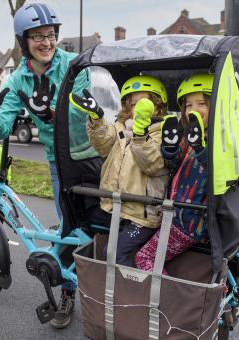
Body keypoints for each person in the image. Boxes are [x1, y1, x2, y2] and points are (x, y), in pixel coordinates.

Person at [0, 3, 90, 329]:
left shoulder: (73, 64)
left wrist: (54, 107)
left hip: (93, 154)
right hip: (60, 163)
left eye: (50, 35)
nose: (46, 42)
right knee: (68, 230)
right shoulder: (19, 80)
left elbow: (85, 111)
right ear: (24, 42)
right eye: (37, 37)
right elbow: (1, 128)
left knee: (98, 227)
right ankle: (67, 293)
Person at [70, 75, 169, 267]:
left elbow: (153, 163)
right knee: (95, 241)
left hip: (143, 215)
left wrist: (140, 134)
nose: (136, 109)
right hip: (118, 209)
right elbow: (103, 144)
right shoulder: (121, 128)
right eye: (132, 104)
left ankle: (131, 293)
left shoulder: (160, 133)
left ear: (158, 106)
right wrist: (97, 119)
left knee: (114, 253)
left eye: (144, 103)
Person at [134, 73, 212, 273]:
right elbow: (174, 165)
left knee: (145, 257)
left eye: (201, 103)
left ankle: (168, 301)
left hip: (189, 221)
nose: (193, 110)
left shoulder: (218, 141)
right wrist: (170, 149)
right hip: (175, 214)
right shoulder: (188, 135)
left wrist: (201, 149)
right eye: (188, 105)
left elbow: (215, 171)